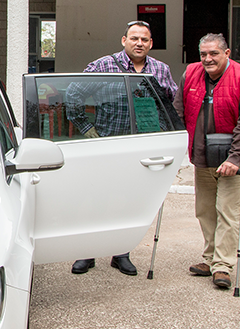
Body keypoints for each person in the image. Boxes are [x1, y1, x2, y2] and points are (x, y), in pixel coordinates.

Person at [70, 20, 178, 276]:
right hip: (108, 144)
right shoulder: (103, 65)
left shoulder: (160, 70)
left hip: (141, 147)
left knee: (128, 203)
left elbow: (170, 103)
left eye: (144, 39)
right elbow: (73, 95)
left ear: (151, 43)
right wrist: (87, 128)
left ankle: (121, 254)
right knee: (96, 200)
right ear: (124, 40)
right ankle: (87, 253)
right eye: (134, 38)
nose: (139, 43)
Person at [173, 33, 240, 288]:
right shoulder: (191, 73)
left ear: (226, 54)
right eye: (203, 54)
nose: (207, 59)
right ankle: (211, 258)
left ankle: (223, 266)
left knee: (227, 211)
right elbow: (178, 110)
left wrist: (235, 157)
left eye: (213, 53)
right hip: (202, 155)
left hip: (232, 160)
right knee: (205, 211)